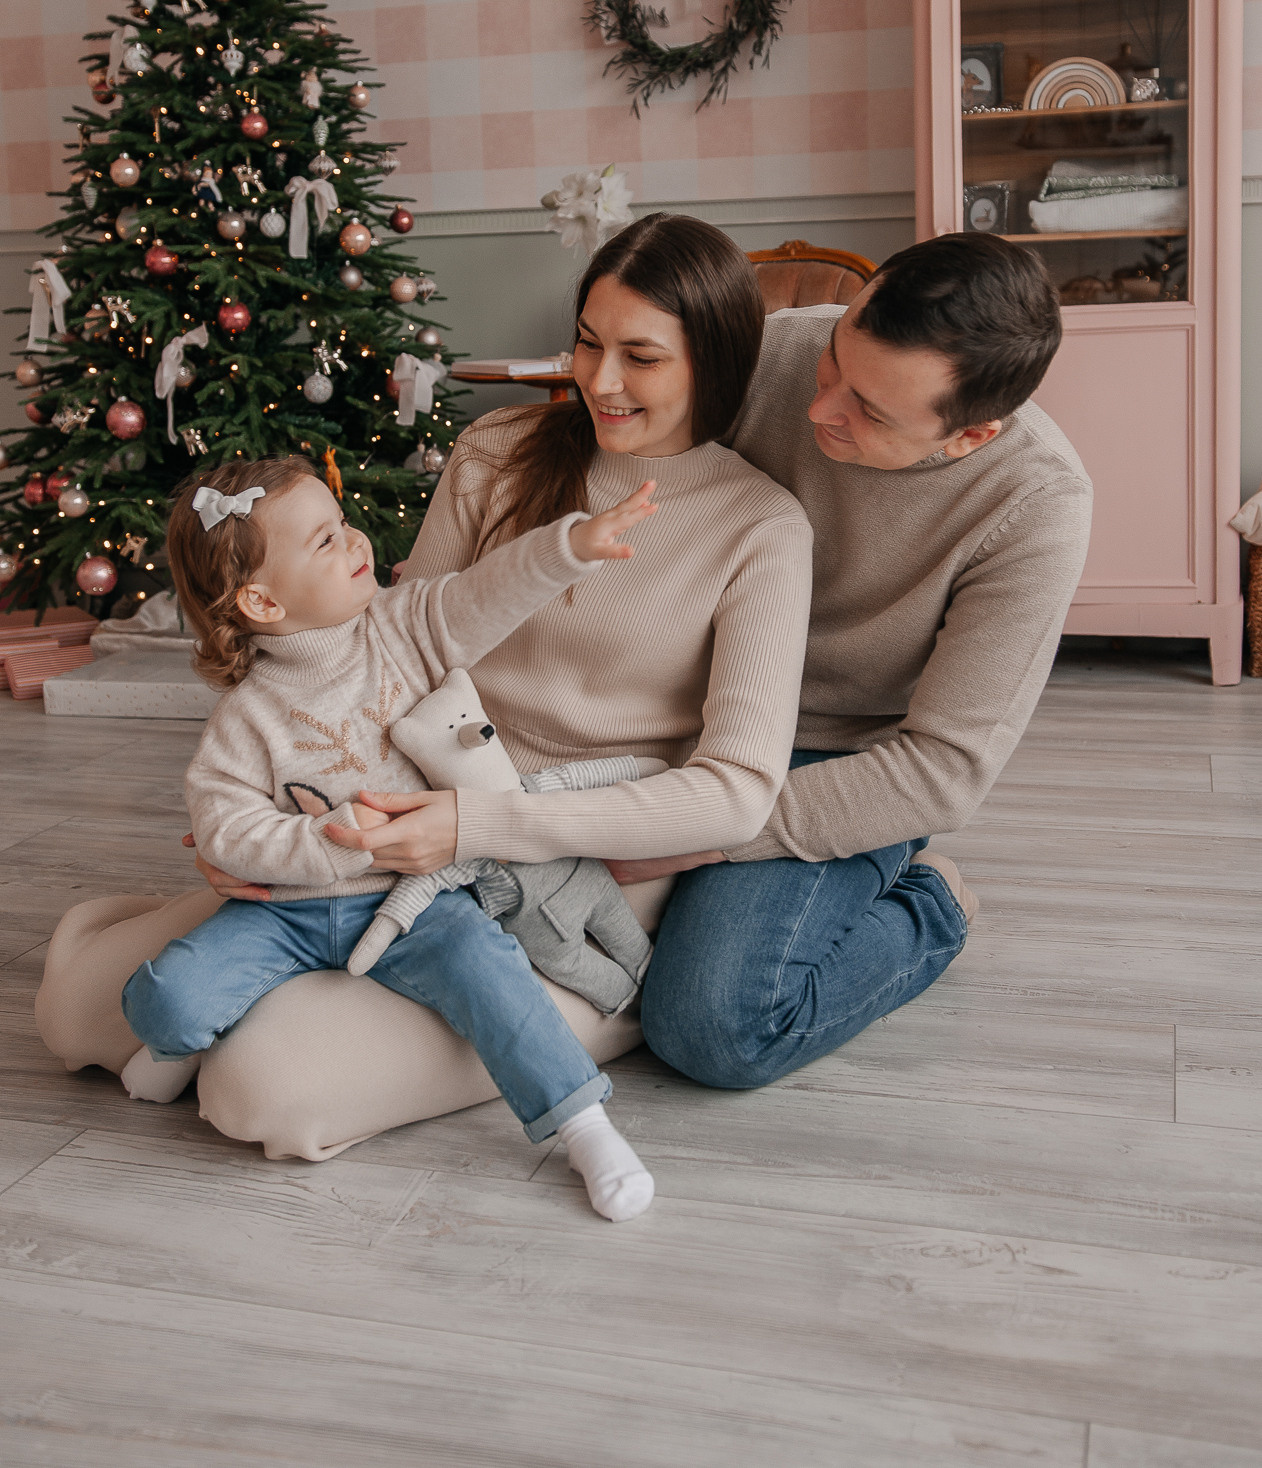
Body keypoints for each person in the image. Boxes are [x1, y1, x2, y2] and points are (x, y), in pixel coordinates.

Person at [35, 214, 814, 1161]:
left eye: (640, 357)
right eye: (588, 342)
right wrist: (245, 821)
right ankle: (214, 957)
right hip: (376, 831)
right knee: (77, 1017)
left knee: (260, 1092)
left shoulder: (760, 527)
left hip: (564, 864)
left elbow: (737, 790)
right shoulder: (498, 451)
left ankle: (602, 1007)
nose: (599, 382)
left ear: (715, 362)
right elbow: (374, 645)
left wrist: (478, 829)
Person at [118, 453, 662, 1220]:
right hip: (282, 911)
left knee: (491, 970)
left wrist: (571, 546)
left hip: (420, 900)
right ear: (264, 601)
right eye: (325, 542)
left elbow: (488, 593)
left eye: (341, 524)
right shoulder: (244, 719)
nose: (356, 539)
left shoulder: (404, 628)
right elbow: (224, 827)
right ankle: (179, 1042)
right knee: (169, 999)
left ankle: (584, 1125)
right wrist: (328, 841)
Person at [633, 232, 1093, 1087]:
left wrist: (697, 836)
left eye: (871, 413)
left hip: (833, 753)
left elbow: (941, 772)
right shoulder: (776, 350)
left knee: (715, 1027)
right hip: (669, 698)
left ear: (970, 435)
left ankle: (934, 905)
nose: (820, 409)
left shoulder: (1036, 505)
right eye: (835, 363)